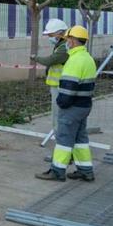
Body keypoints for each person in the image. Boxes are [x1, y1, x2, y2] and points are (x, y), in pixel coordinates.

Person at [36, 25, 97, 182]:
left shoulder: (74, 60)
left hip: (72, 107)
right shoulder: (88, 58)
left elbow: (69, 87)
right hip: (84, 105)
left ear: (73, 41)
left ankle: (57, 171)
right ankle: (85, 170)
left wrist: (61, 103)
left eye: (68, 39)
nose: (66, 42)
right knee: (80, 139)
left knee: (64, 139)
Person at [31, 18, 69, 162]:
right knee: (61, 120)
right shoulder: (63, 45)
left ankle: (61, 155)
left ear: (60, 33)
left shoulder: (64, 47)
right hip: (61, 87)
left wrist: (35, 58)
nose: (49, 38)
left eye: (51, 35)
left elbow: (51, 60)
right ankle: (65, 154)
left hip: (61, 88)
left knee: (59, 120)